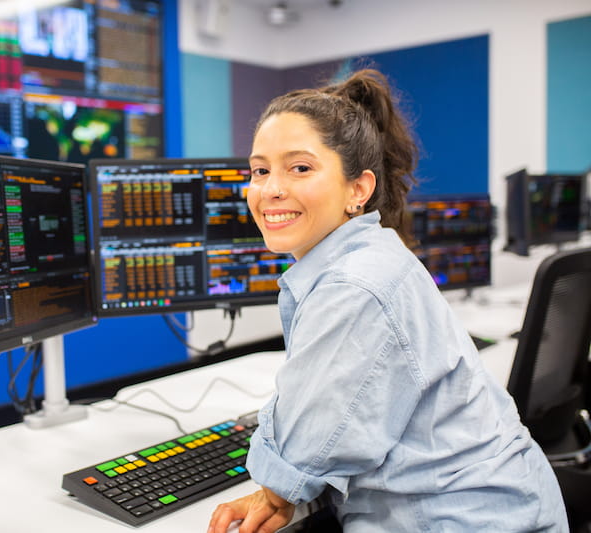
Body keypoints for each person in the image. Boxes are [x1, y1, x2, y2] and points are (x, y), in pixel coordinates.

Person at [207, 69, 568, 533]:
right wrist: (279, 486)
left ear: (358, 189)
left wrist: (276, 487)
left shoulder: (355, 284)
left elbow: (305, 443)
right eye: (260, 170)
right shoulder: (370, 255)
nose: (270, 188)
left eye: (299, 167)